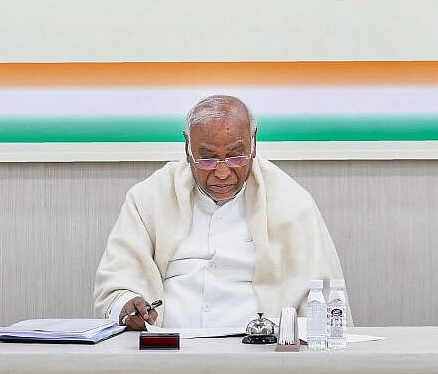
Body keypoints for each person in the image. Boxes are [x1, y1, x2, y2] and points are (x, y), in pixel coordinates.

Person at [93, 95, 346, 330]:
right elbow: (118, 281)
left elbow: (322, 299)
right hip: (167, 353)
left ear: (254, 143)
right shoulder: (149, 197)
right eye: (208, 159)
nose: (223, 173)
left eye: (236, 157)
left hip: (261, 356)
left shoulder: (293, 203)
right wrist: (128, 304)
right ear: (187, 147)